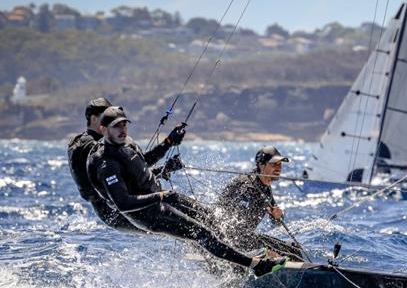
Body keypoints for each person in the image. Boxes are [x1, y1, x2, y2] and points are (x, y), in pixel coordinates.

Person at [87, 106, 285, 277]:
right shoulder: (106, 163)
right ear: (103, 129)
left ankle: (232, 255)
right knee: (201, 233)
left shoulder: (126, 143)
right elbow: (123, 203)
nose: (122, 130)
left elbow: (143, 163)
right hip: (148, 213)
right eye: (116, 127)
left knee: (210, 217)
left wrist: (168, 143)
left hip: (163, 199)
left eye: (124, 125)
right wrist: (161, 196)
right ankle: (255, 265)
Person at [69, 97, 185, 231]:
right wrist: (161, 167)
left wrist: (168, 144)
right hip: (115, 212)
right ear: (95, 119)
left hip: (121, 204)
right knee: (185, 228)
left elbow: (135, 165)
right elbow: (119, 180)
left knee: (187, 224)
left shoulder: (105, 142)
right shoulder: (94, 149)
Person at [216, 145, 302, 260]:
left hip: (247, 237)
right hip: (230, 240)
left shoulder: (265, 186)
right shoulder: (247, 185)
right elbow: (232, 223)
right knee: (270, 254)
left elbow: (275, 221)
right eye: (273, 164)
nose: (278, 168)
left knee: (293, 250)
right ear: (261, 165)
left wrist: (278, 216)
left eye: (280, 164)